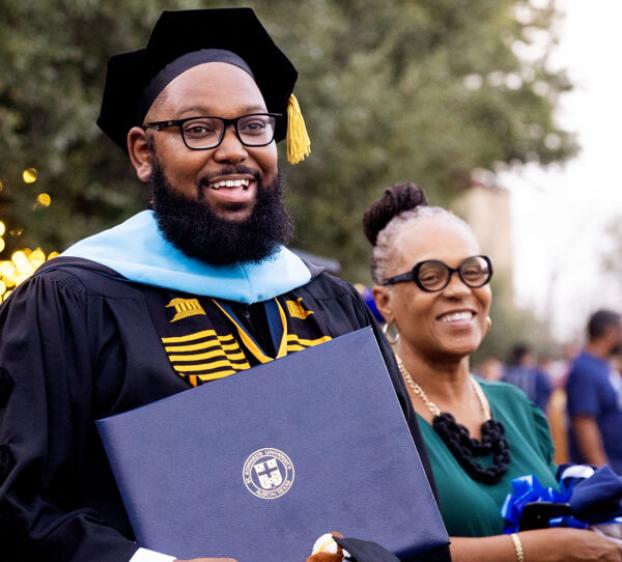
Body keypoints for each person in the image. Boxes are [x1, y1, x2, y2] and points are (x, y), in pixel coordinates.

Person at [0, 10, 447, 562]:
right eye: (199, 129)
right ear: (144, 152)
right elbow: (21, 506)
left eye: (254, 125)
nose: (235, 149)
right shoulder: (71, 302)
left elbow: (404, 493)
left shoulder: (329, 303)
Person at [364, 182, 622, 562]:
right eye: (431, 276)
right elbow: (379, 551)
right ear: (385, 301)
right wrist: (545, 549)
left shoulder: (516, 406)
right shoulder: (374, 417)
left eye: (471, 271)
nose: (458, 290)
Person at [566, 309, 622, 474]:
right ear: (610, 332)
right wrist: (606, 477)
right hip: (606, 473)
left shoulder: (602, 366)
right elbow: (584, 423)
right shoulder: (584, 369)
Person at [502, 343, 552, 413]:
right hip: (533, 414)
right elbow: (547, 391)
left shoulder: (506, 374)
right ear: (525, 356)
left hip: (512, 414)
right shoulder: (537, 374)